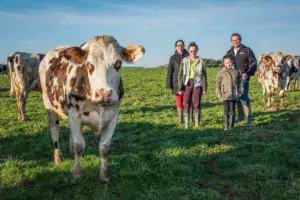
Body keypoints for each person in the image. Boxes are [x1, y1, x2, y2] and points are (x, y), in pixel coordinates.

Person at [226, 33, 257, 127]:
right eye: (234, 40)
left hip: (243, 79)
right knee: (236, 98)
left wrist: (247, 74)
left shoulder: (247, 50)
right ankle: (240, 118)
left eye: (238, 39)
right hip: (233, 79)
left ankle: (248, 120)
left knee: (243, 97)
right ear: (231, 41)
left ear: (241, 40)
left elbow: (253, 63)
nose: (236, 41)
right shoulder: (229, 52)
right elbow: (225, 64)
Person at [178, 42, 207, 129]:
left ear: (197, 51)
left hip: (197, 83)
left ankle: (197, 124)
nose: (193, 53)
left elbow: (204, 75)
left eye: (194, 51)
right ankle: (187, 124)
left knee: (197, 104)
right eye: (191, 51)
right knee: (186, 103)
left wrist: (204, 88)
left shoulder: (201, 61)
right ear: (189, 51)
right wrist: (180, 87)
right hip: (187, 83)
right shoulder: (184, 60)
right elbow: (180, 74)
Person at [166, 39, 189, 124]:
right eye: (178, 45)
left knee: (187, 101)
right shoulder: (172, 57)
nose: (180, 47)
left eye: (182, 45)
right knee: (179, 101)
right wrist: (169, 83)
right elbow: (170, 71)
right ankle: (180, 121)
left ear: (184, 46)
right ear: (176, 47)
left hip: (187, 82)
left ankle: (188, 119)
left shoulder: (188, 56)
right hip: (176, 82)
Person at [216, 55, 241, 130]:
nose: (228, 64)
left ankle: (231, 126)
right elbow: (218, 83)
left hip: (234, 94)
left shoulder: (236, 71)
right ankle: (226, 126)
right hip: (225, 95)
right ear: (224, 63)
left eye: (229, 62)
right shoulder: (221, 72)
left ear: (232, 62)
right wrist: (219, 93)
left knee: (232, 110)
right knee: (226, 110)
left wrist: (239, 92)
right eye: (226, 63)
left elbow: (240, 82)